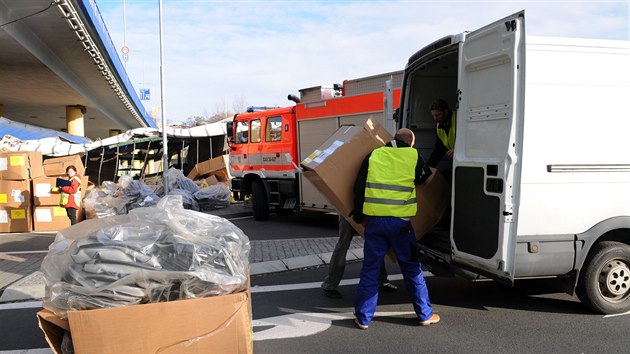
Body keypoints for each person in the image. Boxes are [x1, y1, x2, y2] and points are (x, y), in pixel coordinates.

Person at [351, 128, 440, 329]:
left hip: (375, 222)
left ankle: (363, 318)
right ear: (411, 141)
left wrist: (358, 215)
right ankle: (425, 315)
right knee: (411, 268)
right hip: (400, 223)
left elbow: (360, 186)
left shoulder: (374, 154)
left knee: (370, 269)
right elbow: (424, 176)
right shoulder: (412, 154)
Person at [321, 216, 397, 299]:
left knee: (345, 246)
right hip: (359, 213)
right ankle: (329, 285)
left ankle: (330, 284)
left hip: (351, 212)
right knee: (372, 245)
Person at [426, 98, 456, 171]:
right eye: (433, 116)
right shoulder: (439, 126)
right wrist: (427, 168)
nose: (435, 119)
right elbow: (439, 149)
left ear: (446, 112)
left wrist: (457, 150)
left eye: (437, 115)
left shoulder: (458, 119)